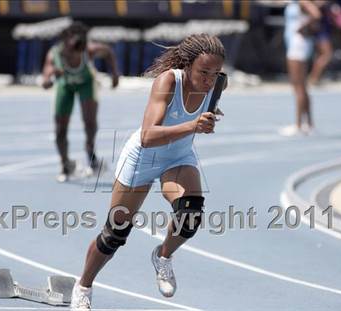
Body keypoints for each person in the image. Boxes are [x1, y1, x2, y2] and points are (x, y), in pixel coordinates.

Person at [71, 33, 226, 310]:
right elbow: (147, 135)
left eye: (215, 73)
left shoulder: (216, 86)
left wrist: (209, 117)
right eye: (203, 72)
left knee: (190, 214)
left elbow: (203, 111)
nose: (209, 80)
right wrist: (193, 125)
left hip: (178, 156)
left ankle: (163, 256)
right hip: (143, 158)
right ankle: (83, 286)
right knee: (114, 235)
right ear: (188, 65)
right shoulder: (168, 81)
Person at [42, 21, 120, 182]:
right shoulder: (54, 55)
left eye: (79, 52)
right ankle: (65, 164)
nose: (75, 56)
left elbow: (108, 52)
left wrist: (115, 74)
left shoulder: (89, 50)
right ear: (65, 45)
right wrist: (50, 80)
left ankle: (91, 156)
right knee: (60, 129)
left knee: (89, 122)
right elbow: (45, 81)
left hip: (86, 84)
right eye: (72, 52)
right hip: (66, 86)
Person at [282, 0, 327, 136]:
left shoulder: (303, 1)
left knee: (298, 86)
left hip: (297, 46)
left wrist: (302, 26)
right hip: (298, 45)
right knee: (302, 87)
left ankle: (298, 125)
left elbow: (316, 14)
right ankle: (309, 124)